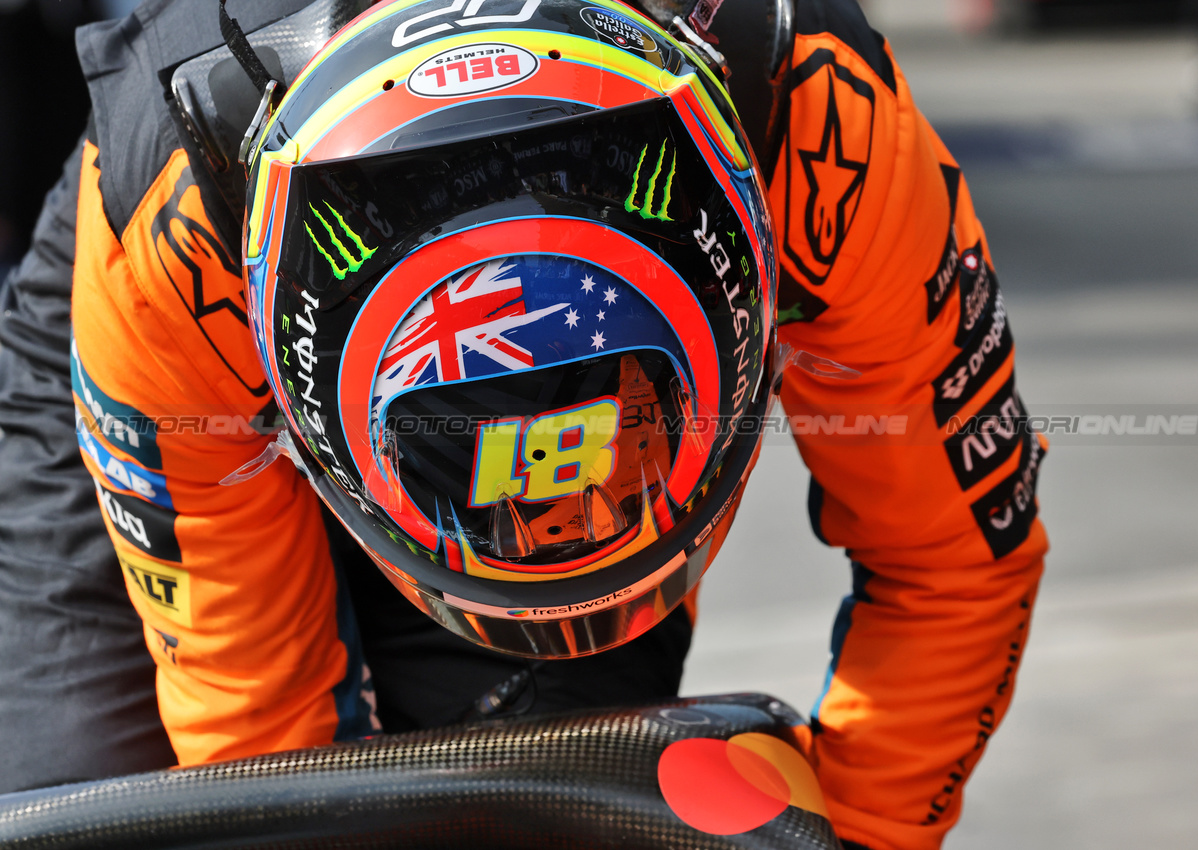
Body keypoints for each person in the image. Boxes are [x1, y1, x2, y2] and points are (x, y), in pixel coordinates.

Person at [0, 0, 1048, 848]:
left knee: (542, 783)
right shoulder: (179, 228)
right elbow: (249, 715)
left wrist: (860, 838)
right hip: (171, 326)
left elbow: (956, 560)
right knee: (100, 805)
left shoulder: (823, 125)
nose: (551, 504)